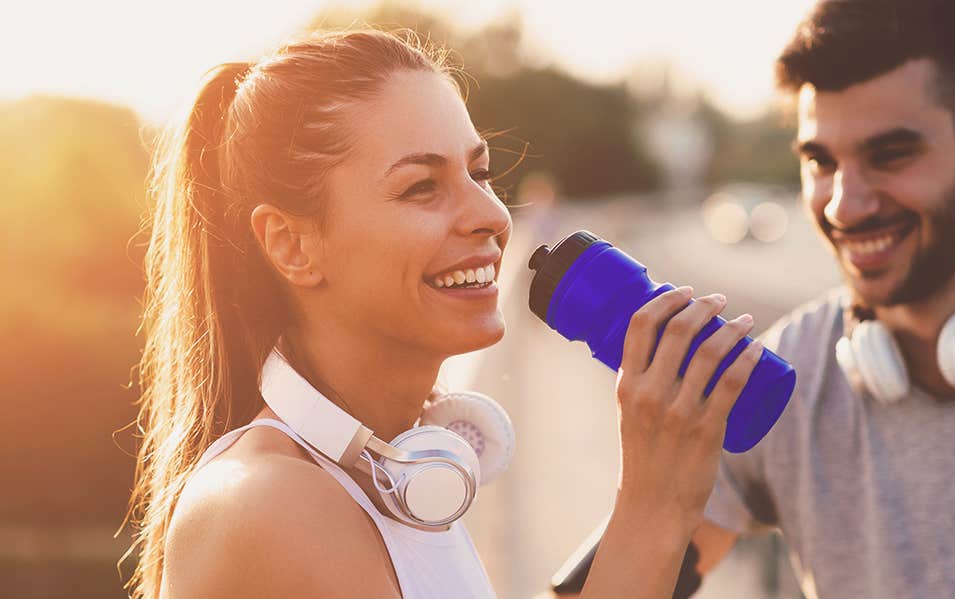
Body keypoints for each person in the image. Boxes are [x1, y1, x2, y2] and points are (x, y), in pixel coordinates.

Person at [551, 1, 955, 597]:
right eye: (821, 161)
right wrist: (647, 492)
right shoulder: (778, 379)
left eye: (890, 155)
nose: (843, 204)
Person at [124, 28, 766, 599]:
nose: (490, 215)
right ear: (293, 245)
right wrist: (655, 504)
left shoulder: (396, 475)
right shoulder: (270, 505)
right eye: (421, 186)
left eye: (479, 172)